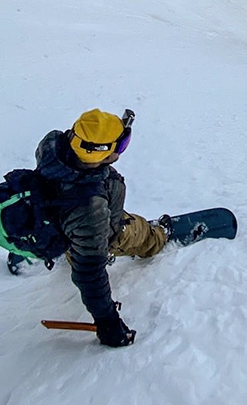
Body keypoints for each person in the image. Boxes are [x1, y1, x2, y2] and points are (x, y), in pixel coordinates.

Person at [30, 108, 170, 347]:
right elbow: (90, 273)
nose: (121, 151)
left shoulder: (54, 145)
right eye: (120, 146)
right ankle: (160, 235)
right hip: (99, 230)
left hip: (58, 219)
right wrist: (107, 321)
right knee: (136, 232)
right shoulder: (89, 208)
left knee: (81, 242)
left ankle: (67, 248)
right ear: (98, 153)